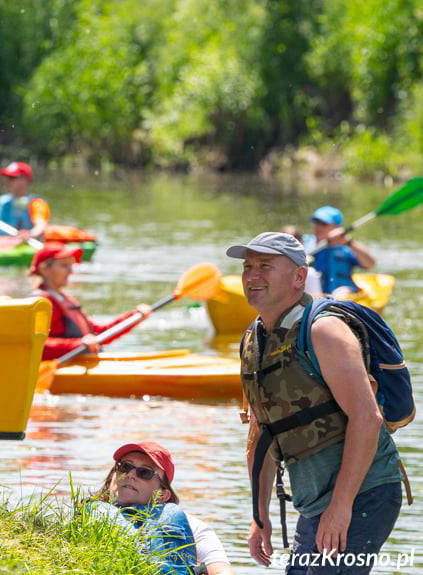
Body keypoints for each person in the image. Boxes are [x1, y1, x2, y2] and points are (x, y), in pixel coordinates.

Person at [226, 232, 403, 573]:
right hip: (315, 501)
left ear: (299, 277)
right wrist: (259, 515)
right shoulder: (253, 338)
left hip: (366, 492)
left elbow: (368, 419)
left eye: (265, 265)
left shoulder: (324, 331)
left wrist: (341, 506)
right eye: (247, 267)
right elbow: (261, 433)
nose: (252, 276)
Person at [89, 442, 233, 575]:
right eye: (125, 467)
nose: (131, 475)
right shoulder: (84, 517)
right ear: (112, 476)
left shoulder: (193, 528)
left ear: (163, 495)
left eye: (144, 472)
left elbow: (222, 571)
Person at [31, 243, 151, 360]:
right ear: (44, 268)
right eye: (64, 266)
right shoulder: (41, 303)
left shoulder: (65, 299)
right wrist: (77, 345)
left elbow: (98, 335)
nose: (71, 271)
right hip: (60, 369)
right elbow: (34, 344)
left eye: (71, 266)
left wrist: (135, 317)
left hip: (81, 364)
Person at [310, 206, 376, 296]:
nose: (318, 227)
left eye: (324, 224)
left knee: (341, 292)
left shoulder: (346, 248)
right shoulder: (307, 245)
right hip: (316, 295)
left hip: (343, 294)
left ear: (337, 227)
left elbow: (370, 264)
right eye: (316, 223)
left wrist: (349, 242)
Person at [0, 162, 50, 239]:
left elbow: (40, 227)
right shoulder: (4, 202)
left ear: (25, 180)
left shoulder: (36, 203)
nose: (7, 181)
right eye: (7, 178)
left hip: (23, 244)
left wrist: (30, 234)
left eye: (12, 178)